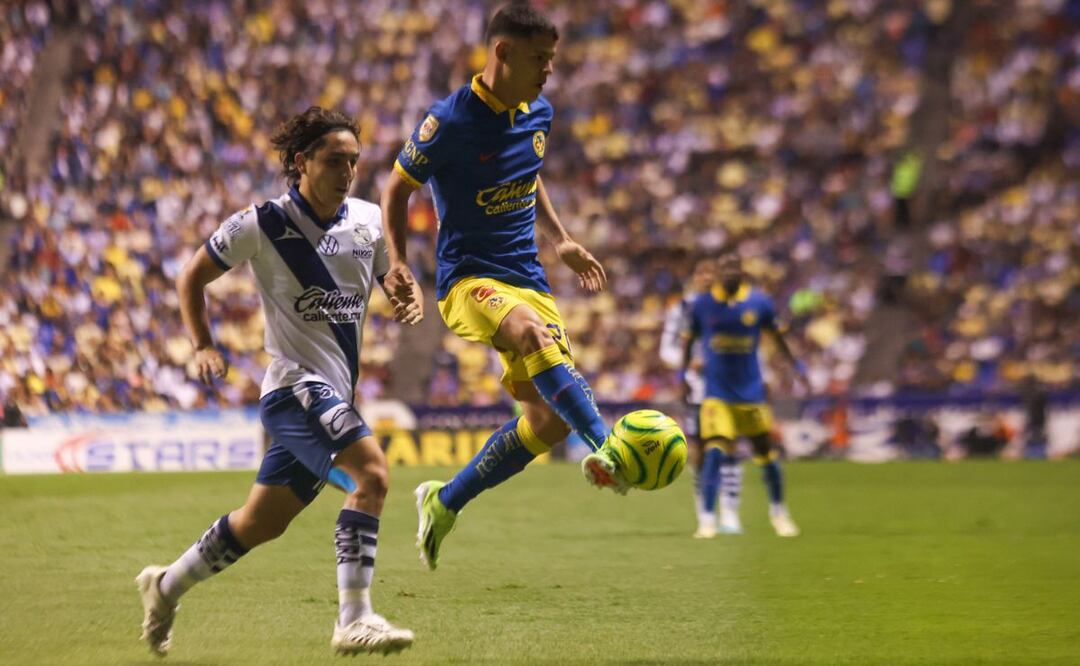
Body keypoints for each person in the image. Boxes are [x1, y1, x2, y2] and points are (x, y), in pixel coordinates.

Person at [135, 107, 421, 657]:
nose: (347, 172)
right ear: (300, 162)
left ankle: (164, 586)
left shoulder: (366, 221)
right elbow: (192, 275)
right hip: (295, 388)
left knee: (258, 524)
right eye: (335, 161)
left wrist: (406, 292)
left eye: (354, 162)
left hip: (333, 391)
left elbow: (393, 278)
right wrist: (202, 344)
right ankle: (354, 618)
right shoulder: (261, 224)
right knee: (373, 476)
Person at [380, 3, 625, 571]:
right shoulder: (449, 121)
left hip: (529, 279)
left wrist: (560, 237)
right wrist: (400, 263)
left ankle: (445, 501)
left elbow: (527, 175)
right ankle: (608, 447)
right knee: (531, 335)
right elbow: (396, 190)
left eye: (552, 60)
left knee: (546, 423)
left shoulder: (538, 111)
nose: (548, 71)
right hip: (469, 279)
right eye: (540, 59)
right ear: (503, 53)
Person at [680, 254, 807, 538]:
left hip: (751, 394)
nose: (730, 274)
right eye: (725, 269)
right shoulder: (702, 305)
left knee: (766, 455)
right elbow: (688, 343)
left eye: (734, 269)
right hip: (717, 395)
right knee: (713, 452)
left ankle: (779, 513)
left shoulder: (759, 303)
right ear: (718, 273)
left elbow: (778, 336)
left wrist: (796, 365)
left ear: (742, 273)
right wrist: (682, 377)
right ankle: (708, 520)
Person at [658, 259, 714, 531]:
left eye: (712, 274)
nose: (707, 278)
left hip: (727, 385)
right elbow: (665, 350)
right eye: (702, 272)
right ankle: (704, 511)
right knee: (701, 449)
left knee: (726, 446)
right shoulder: (682, 308)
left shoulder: (732, 308)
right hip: (695, 387)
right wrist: (688, 364)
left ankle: (728, 512)